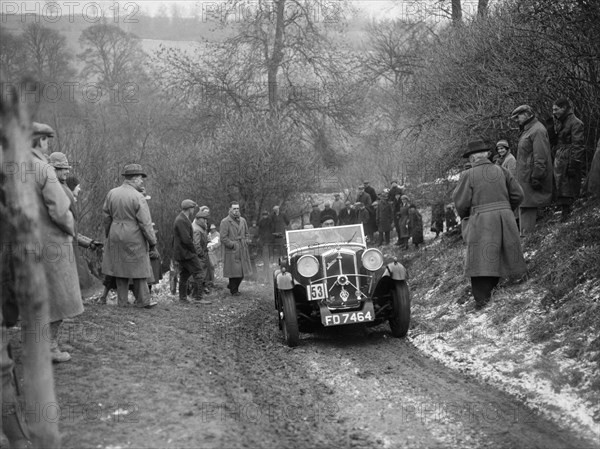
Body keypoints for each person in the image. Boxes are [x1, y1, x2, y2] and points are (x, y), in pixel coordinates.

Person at [25, 123, 84, 364]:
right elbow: (60, 211)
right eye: (46, 140)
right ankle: (48, 348)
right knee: (58, 298)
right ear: (39, 141)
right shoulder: (43, 169)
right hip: (50, 244)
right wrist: (71, 230)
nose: (47, 146)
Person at [453, 139, 527, 309]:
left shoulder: (467, 175)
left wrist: (468, 217)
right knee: (503, 255)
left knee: (480, 261)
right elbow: (518, 195)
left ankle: (482, 302)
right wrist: (505, 210)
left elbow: (461, 203)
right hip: (505, 217)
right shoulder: (501, 170)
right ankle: (504, 294)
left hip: (480, 221)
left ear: (471, 158)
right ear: (487, 154)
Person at [101, 164, 158, 309]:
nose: (142, 181)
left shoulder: (112, 193)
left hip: (115, 232)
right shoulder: (138, 197)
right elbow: (145, 223)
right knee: (139, 267)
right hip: (134, 235)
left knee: (119, 268)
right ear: (134, 179)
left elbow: (106, 217)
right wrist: (152, 242)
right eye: (140, 179)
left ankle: (122, 302)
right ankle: (143, 301)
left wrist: (109, 234)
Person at [511, 104, 553, 235]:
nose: (516, 120)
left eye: (517, 117)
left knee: (527, 207)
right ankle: (525, 238)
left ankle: (527, 239)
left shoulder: (537, 130)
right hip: (525, 177)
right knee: (524, 206)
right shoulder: (528, 130)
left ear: (528, 114)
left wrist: (537, 176)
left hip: (530, 177)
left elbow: (541, 156)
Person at [552, 98, 586, 221]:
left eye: (556, 109)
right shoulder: (562, 122)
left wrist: (574, 165)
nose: (554, 112)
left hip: (568, 158)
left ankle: (570, 214)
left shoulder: (575, 122)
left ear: (564, 108)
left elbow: (578, 145)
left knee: (568, 187)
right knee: (561, 186)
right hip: (561, 158)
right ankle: (565, 213)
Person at [173, 199, 207, 304]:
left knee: (184, 275)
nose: (193, 210)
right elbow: (186, 239)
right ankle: (198, 298)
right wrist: (194, 251)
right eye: (193, 208)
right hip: (186, 253)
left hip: (182, 253)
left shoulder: (182, 219)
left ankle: (183, 298)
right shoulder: (182, 220)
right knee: (199, 273)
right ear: (189, 209)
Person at [220, 202, 253, 296]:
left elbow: (247, 233)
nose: (236, 210)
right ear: (230, 209)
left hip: (242, 248)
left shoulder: (243, 220)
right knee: (234, 271)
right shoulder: (225, 221)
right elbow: (223, 238)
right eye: (234, 209)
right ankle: (234, 290)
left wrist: (246, 240)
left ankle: (231, 286)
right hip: (233, 249)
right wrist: (232, 245)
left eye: (237, 208)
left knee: (242, 272)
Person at [191, 209, 213, 304]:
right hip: (199, 256)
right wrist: (202, 255)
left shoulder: (200, 228)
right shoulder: (197, 229)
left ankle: (196, 295)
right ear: (199, 219)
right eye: (204, 219)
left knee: (200, 275)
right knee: (199, 275)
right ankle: (198, 297)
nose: (206, 221)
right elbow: (196, 245)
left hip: (201, 254)